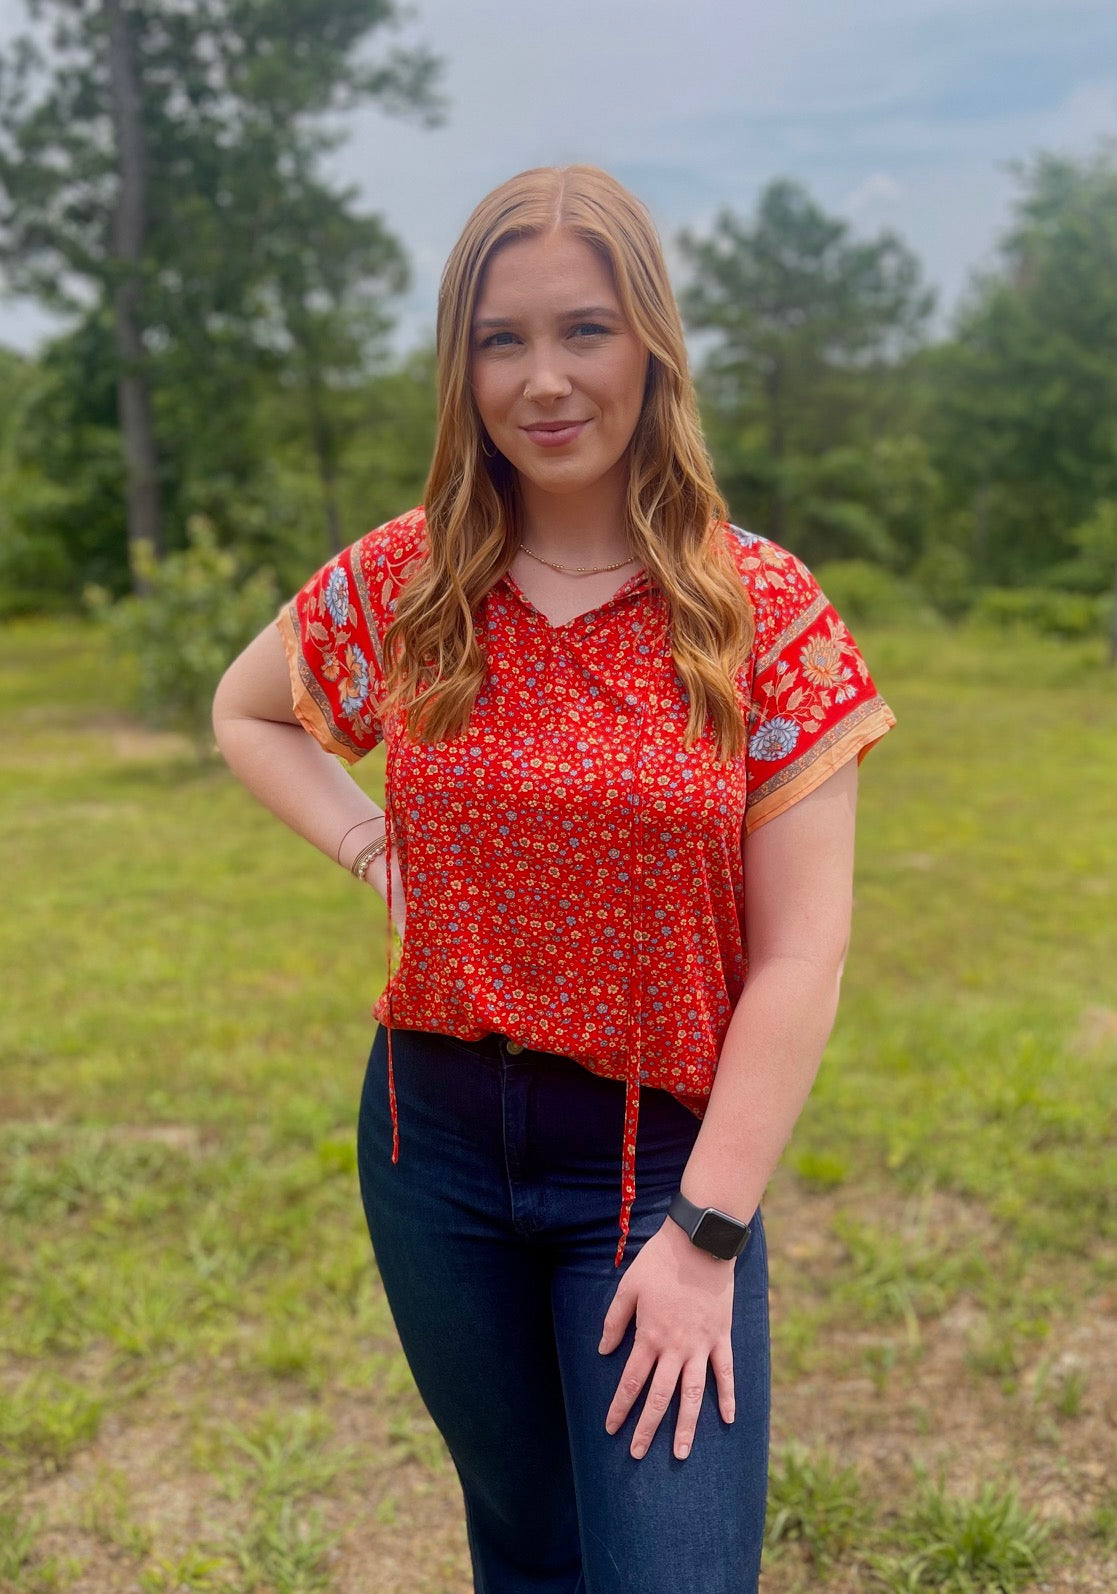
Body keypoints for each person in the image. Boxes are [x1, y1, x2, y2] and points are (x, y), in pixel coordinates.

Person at [211, 163, 896, 1594]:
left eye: (583, 330)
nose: (542, 379)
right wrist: (366, 840)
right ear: (458, 365)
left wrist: (705, 1233)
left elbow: (801, 956)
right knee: (527, 1550)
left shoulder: (754, 603)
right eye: (498, 338)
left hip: (652, 1164)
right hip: (432, 1136)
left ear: (649, 342)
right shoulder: (411, 580)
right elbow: (247, 708)